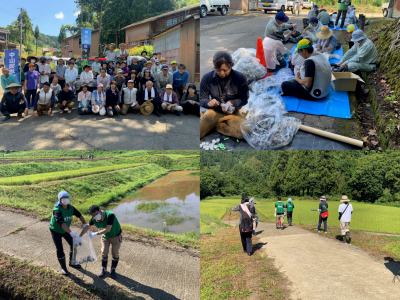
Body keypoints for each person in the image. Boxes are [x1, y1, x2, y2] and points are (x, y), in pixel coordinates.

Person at [200, 51, 249, 139]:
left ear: (232, 65)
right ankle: (212, 123)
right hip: (214, 111)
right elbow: (202, 99)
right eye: (218, 70)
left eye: (225, 70)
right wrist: (208, 102)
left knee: (246, 132)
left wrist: (233, 103)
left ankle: (217, 126)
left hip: (233, 112)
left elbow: (244, 99)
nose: (222, 73)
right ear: (214, 66)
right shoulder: (207, 78)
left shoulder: (240, 78)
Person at [79, 205, 122, 278]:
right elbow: (87, 226)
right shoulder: (94, 219)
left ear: (99, 210)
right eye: (93, 215)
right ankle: (103, 268)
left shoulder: (110, 215)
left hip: (115, 236)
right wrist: (79, 236)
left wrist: (95, 233)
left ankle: (113, 270)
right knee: (104, 252)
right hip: (105, 236)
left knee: (115, 253)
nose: (95, 216)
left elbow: (108, 229)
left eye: (96, 214)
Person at [49, 191, 87, 276]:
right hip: (56, 231)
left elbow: (79, 215)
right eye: (63, 198)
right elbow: (62, 223)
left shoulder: (70, 208)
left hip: (65, 230)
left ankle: (72, 262)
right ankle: (63, 267)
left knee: (73, 244)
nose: (65, 199)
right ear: (59, 199)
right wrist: (71, 232)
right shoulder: (57, 210)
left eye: (67, 197)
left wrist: (84, 223)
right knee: (60, 250)